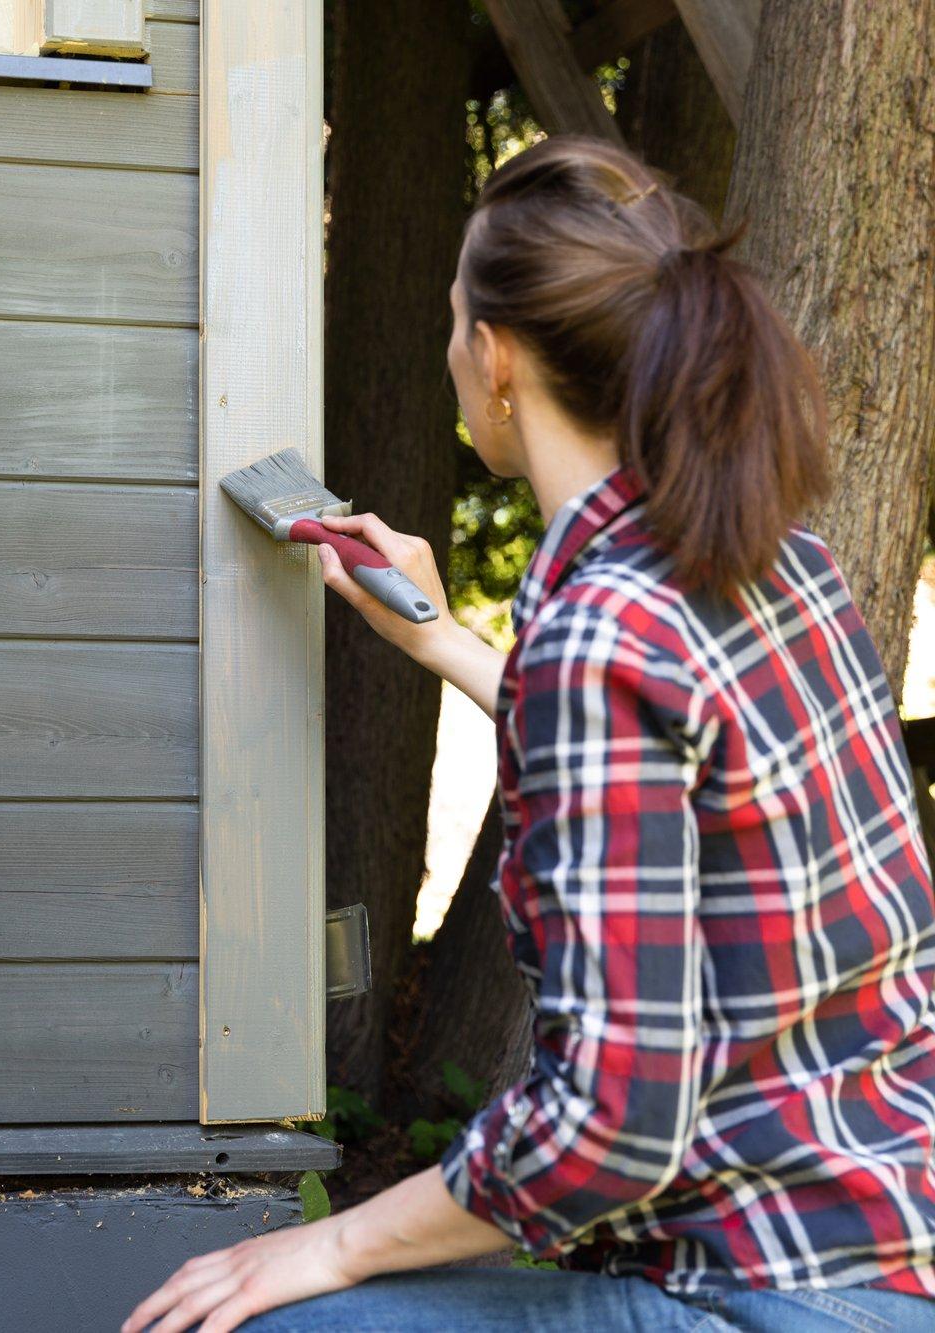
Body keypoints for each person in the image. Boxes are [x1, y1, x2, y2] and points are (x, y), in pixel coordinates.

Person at [124, 138, 935, 1333]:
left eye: (456, 319)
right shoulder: (764, 561)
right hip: (885, 1252)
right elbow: (683, 773)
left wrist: (332, 1242)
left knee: (257, 1318)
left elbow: (612, 1125)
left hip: (766, 1295)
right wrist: (443, 640)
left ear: (495, 360)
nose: (451, 348)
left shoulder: (600, 636)